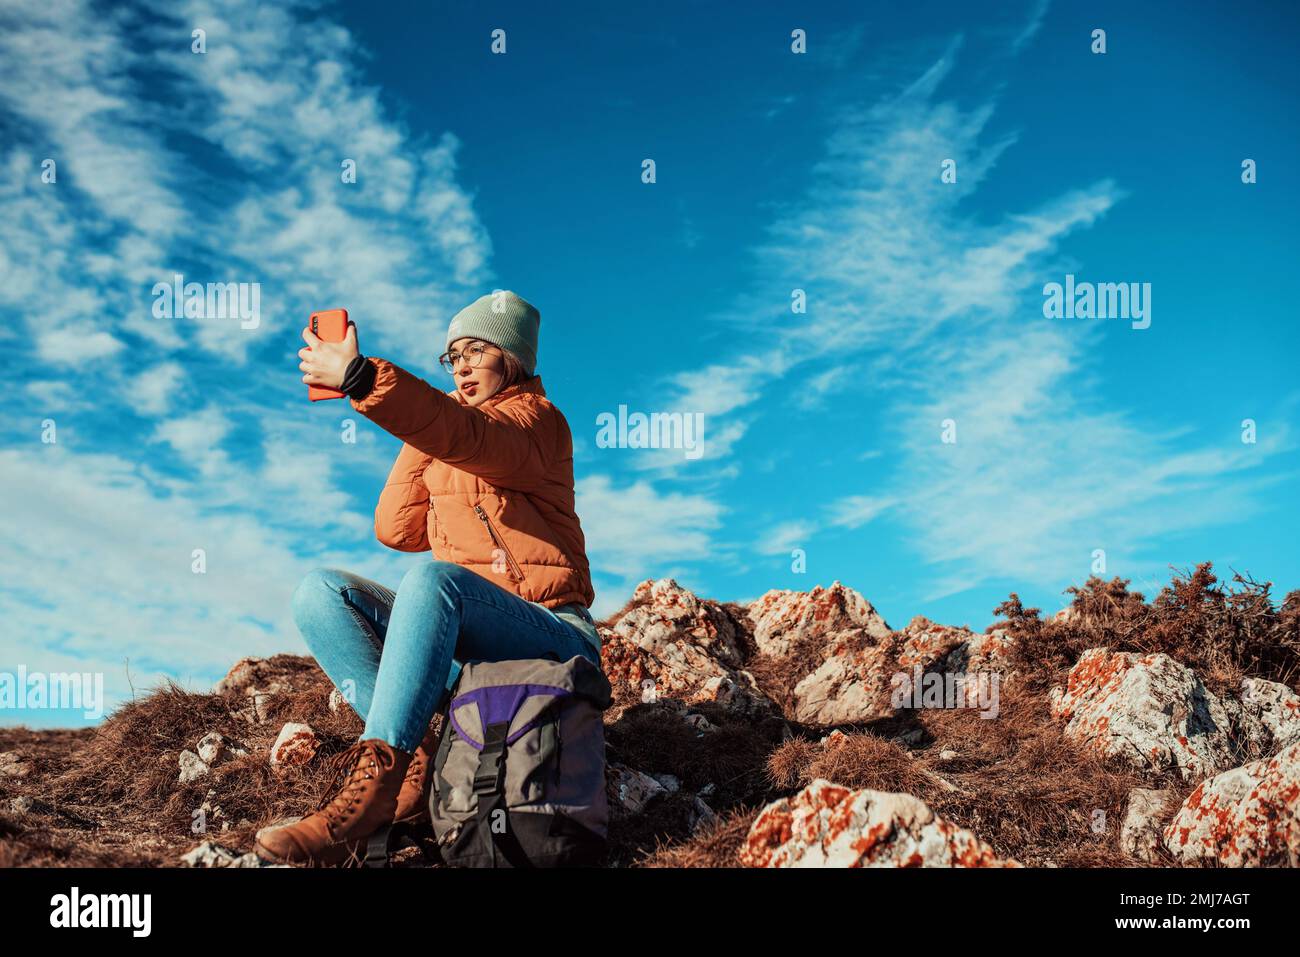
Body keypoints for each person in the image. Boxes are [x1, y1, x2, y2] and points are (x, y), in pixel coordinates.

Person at [254, 290, 601, 866]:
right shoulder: (454, 432)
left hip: (554, 638)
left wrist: (365, 379)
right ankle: (414, 762)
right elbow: (395, 527)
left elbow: (475, 440)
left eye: (475, 351)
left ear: (511, 358)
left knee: (430, 580)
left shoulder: (538, 425)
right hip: (473, 651)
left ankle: (368, 793)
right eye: (452, 356)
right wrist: (427, 428)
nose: (461, 365)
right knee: (319, 590)